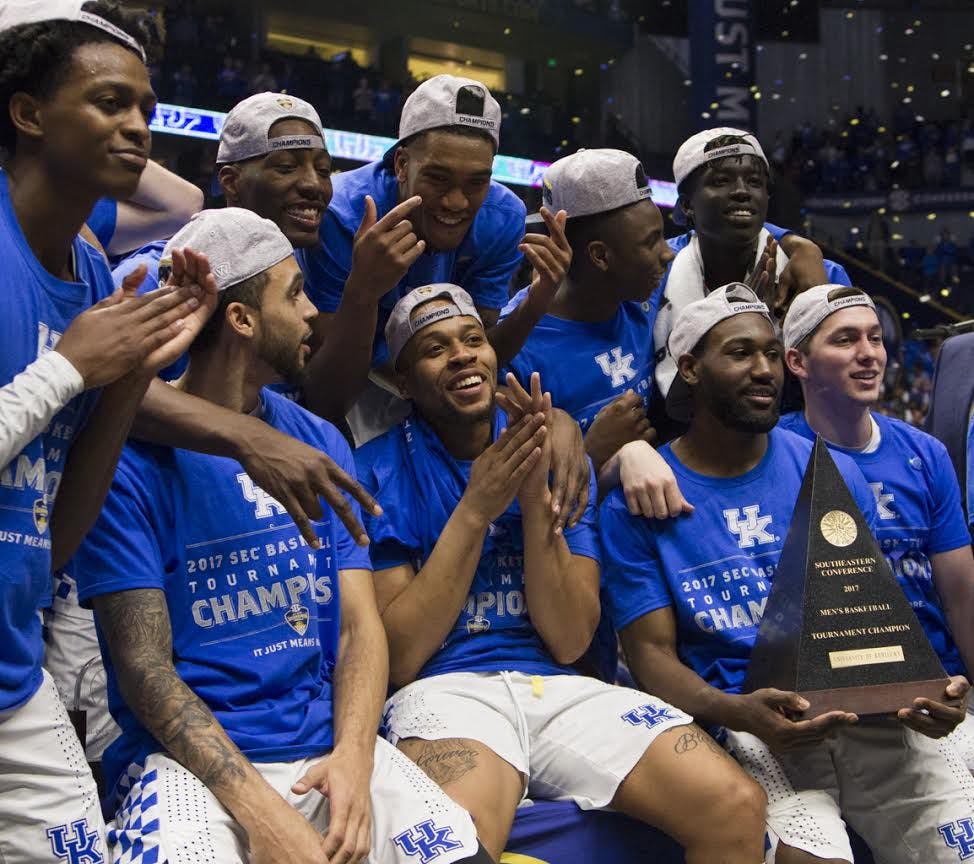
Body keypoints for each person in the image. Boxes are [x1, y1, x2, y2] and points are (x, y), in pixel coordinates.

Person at [74, 208, 488, 864]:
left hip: (327, 748)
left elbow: (358, 626)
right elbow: (144, 669)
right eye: (294, 294)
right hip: (189, 766)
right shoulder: (124, 461)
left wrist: (354, 758)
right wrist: (263, 815)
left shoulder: (318, 440)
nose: (312, 314)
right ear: (242, 320)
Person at [354, 284, 768, 863]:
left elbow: (571, 638)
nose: (462, 356)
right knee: (453, 845)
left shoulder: (558, 457)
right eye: (435, 349)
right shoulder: (375, 470)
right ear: (403, 382)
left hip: (560, 685)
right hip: (444, 689)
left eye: (473, 340)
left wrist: (534, 505)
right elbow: (401, 659)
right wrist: (475, 510)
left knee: (736, 803)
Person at [600, 283, 974, 864]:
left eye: (772, 354)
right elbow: (651, 657)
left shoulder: (836, 472)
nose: (763, 370)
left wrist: (919, 688)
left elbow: (867, 620)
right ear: (690, 369)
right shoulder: (638, 501)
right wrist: (735, 711)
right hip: (742, 718)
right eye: (740, 353)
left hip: (864, 712)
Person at [0, 3, 216, 861]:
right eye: (109, 103)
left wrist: (129, 378)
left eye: (145, 109)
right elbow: (63, 374)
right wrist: (69, 368)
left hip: (13, 668)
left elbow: (55, 539)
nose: (137, 127)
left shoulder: (94, 273)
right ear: (28, 113)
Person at [298, 74, 563, 441]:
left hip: (428, 381)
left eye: (477, 182)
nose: (456, 201)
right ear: (401, 164)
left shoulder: (503, 218)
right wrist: (363, 290)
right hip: (354, 378)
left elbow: (478, 347)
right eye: (438, 179)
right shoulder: (341, 216)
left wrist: (536, 303)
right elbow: (326, 397)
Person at [779, 284, 974, 769]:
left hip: (934, 690)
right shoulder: (772, 453)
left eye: (875, 338)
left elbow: (961, 595)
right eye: (845, 340)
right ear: (798, 362)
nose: (869, 354)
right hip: (823, 695)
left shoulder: (925, 453)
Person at [652, 128, 852, 432]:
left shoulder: (822, 275)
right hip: (681, 443)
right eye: (721, 180)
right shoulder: (655, 272)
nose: (742, 191)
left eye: (755, 182)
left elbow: (840, 388)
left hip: (795, 441)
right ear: (687, 205)